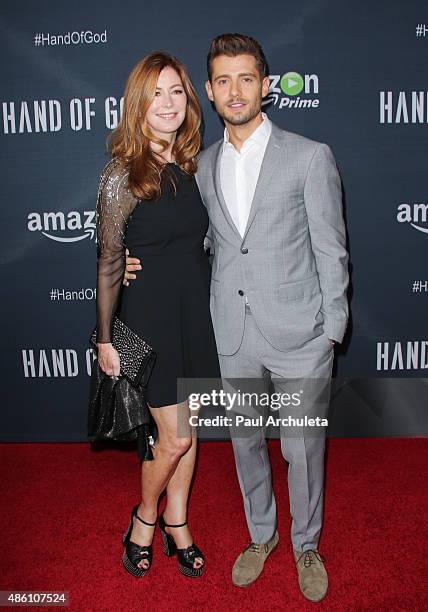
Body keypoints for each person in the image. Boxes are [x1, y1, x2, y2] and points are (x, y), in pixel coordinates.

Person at [125, 33, 349, 602]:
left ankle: (306, 544)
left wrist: (332, 329)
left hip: (302, 334)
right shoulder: (197, 167)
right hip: (231, 333)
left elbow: (332, 249)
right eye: (222, 80)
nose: (235, 90)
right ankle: (261, 536)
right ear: (210, 91)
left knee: (302, 449)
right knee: (246, 441)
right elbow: (180, 239)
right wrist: (129, 261)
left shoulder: (309, 155)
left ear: (265, 86)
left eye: (246, 78)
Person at [95, 51, 220, 579]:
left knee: (186, 428)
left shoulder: (192, 166)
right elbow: (107, 260)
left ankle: (178, 521)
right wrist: (104, 338)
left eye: (176, 92)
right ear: (138, 105)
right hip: (150, 319)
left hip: (195, 312)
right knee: (177, 438)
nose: (167, 103)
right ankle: (143, 520)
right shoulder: (122, 174)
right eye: (156, 94)